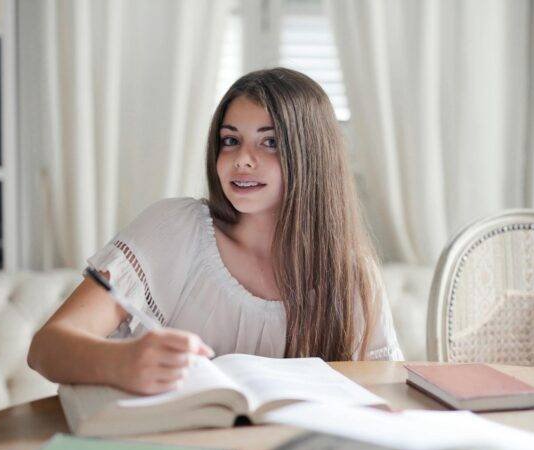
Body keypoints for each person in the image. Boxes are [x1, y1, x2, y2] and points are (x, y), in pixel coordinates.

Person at [28, 67, 404, 396]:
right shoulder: (175, 229)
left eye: (269, 142)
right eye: (230, 140)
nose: (242, 158)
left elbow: (384, 390)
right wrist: (122, 362)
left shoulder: (351, 275)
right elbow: (46, 348)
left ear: (312, 156)